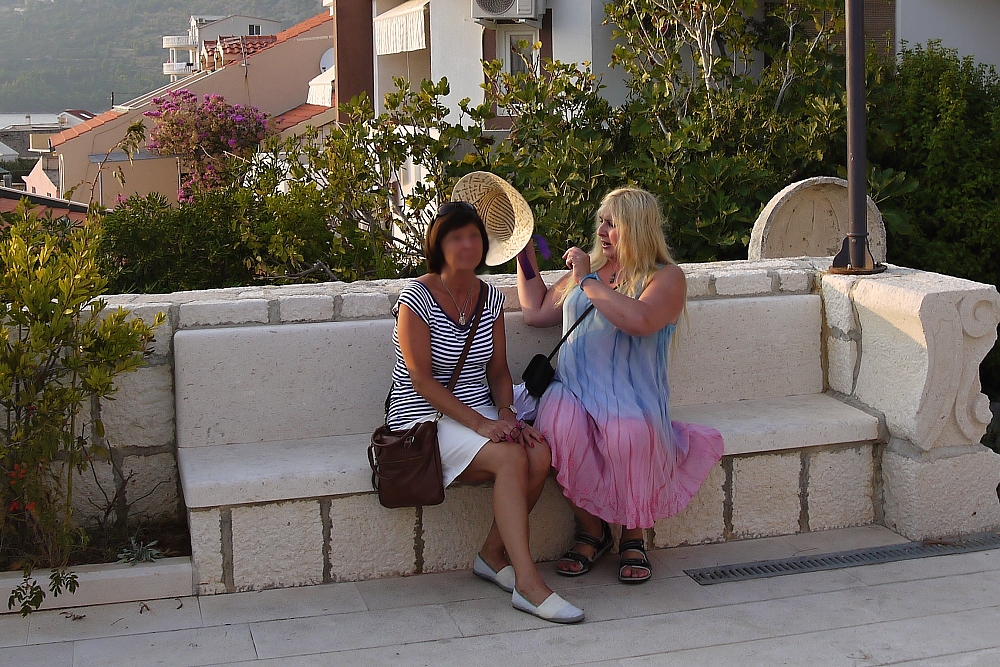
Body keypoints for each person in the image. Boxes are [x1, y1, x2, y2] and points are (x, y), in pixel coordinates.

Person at [388, 200, 585, 623]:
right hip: (422, 417)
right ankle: (528, 584)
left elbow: (497, 370)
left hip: (479, 410)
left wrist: (507, 414)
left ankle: (492, 556)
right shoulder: (416, 297)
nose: (467, 245)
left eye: (474, 236)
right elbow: (422, 380)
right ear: (438, 244)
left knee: (538, 451)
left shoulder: (490, 296)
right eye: (456, 237)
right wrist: (482, 425)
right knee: (512, 457)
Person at [516, 187, 725, 583]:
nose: (601, 231)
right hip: (573, 389)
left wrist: (586, 280)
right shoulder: (593, 269)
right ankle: (592, 531)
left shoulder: (665, 277)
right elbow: (536, 312)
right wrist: (523, 251)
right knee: (557, 427)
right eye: (601, 222)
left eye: (612, 224)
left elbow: (640, 321)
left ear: (636, 227)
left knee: (631, 433)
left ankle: (633, 534)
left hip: (632, 395)